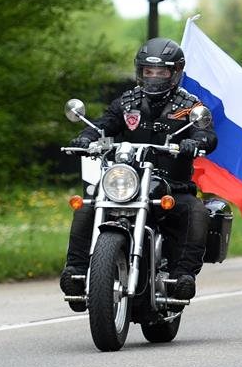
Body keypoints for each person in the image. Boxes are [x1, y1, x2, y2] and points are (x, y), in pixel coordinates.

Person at [60, 38, 217, 310]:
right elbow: (102, 125)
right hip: (127, 180)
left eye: (161, 72)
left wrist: (197, 141)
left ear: (175, 72)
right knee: (87, 204)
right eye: (148, 71)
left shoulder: (190, 106)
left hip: (171, 184)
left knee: (196, 211)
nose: (154, 77)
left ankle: (183, 276)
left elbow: (206, 134)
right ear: (140, 71)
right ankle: (75, 271)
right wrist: (86, 137)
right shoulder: (127, 102)